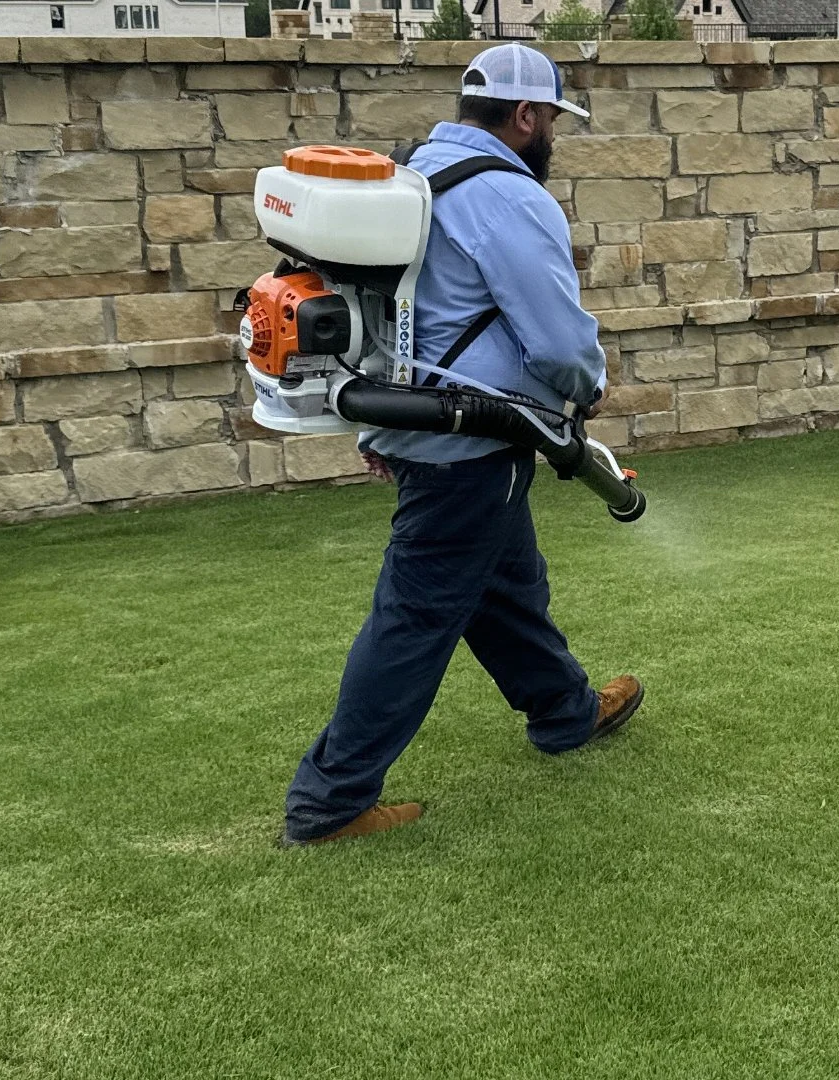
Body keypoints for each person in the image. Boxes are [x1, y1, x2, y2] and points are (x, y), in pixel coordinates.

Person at [282, 43, 644, 847]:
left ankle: (564, 712)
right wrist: (587, 384)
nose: (552, 132)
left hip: (415, 420)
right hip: (471, 437)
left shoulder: (413, 172)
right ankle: (328, 804)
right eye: (550, 118)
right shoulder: (508, 197)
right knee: (415, 615)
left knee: (504, 584)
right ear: (525, 117)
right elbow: (555, 336)